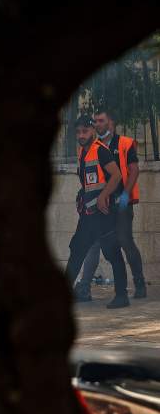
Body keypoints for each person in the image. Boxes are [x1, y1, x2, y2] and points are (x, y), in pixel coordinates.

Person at [74, 110, 146, 301]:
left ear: (111, 122)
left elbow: (133, 170)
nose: (97, 124)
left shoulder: (125, 143)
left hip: (120, 203)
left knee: (124, 241)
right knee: (93, 244)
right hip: (100, 207)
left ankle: (139, 283)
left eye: (101, 120)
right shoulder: (90, 147)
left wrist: (124, 196)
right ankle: (84, 288)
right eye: (95, 121)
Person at [64, 116, 129, 308]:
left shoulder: (101, 150)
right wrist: (81, 197)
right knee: (76, 250)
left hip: (104, 214)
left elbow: (117, 176)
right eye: (78, 132)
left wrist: (103, 196)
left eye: (85, 131)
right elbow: (89, 183)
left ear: (92, 131)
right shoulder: (82, 152)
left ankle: (122, 295)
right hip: (88, 215)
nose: (81, 135)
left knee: (112, 253)